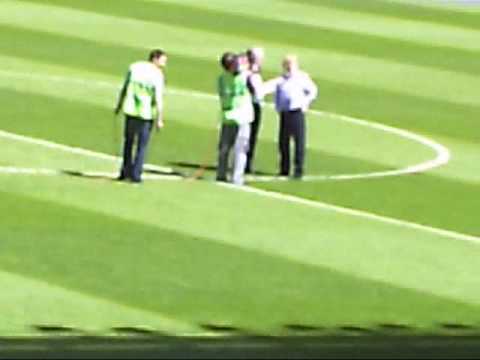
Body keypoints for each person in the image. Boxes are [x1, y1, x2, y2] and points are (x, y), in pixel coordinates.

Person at [114, 49, 167, 183]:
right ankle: (136, 175)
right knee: (142, 145)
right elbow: (158, 97)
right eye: (163, 60)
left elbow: (125, 87)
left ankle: (125, 171)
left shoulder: (135, 67)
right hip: (145, 113)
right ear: (155, 59)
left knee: (128, 142)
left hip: (130, 110)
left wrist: (119, 105)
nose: (164, 64)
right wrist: (160, 118)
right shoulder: (157, 74)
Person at [267, 55, 317, 179]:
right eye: (287, 64)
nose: (289, 67)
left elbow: (313, 91)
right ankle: (284, 168)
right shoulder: (281, 80)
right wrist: (278, 108)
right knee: (283, 142)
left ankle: (298, 169)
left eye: (291, 64)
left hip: (297, 112)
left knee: (299, 141)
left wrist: (305, 103)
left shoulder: (302, 77)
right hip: (285, 113)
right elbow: (275, 94)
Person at [216, 52, 254, 186]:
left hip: (227, 116)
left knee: (224, 148)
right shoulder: (243, 77)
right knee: (241, 149)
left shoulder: (222, 78)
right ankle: (237, 178)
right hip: (241, 117)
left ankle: (221, 174)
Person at [245, 47, 265, 174]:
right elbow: (258, 93)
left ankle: (246, 162)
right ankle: (246, 163)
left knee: (249, 135)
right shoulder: (250, 72)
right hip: (251, 105)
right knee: (250, 135)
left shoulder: (248, 70)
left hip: (250, 104)